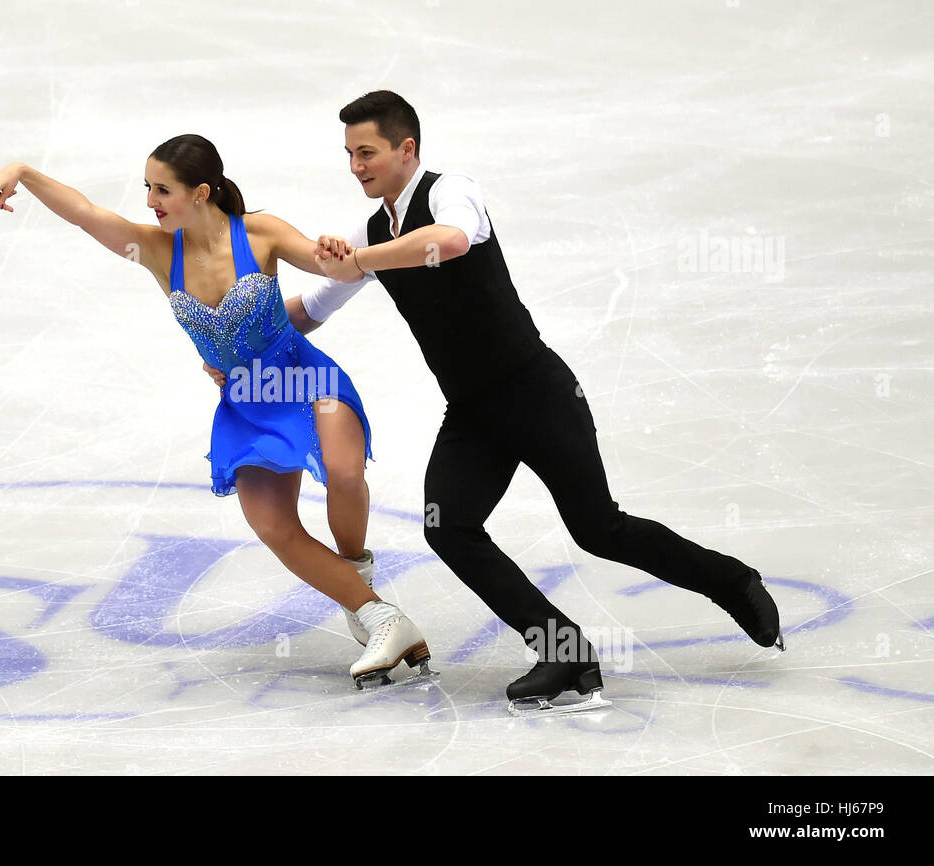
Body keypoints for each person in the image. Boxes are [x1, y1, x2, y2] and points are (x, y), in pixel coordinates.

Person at [210, 91, 783, 715]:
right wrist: (245, 350)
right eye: (349, 155)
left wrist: (363, 262)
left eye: (367, 152)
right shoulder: (371, 229)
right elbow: (313, 308)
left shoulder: (452, 191)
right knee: (446, 525)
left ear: (407, 149)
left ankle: (733, 582)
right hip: (473, 415)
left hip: (536, 391)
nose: (356, 167)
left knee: (599, 528)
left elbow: (451, 241)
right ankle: (564, 651)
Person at [0, 134, 433, 687]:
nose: (149, 201)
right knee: (273, 525)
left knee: (342, 470)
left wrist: (334, 258)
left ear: (201, 192)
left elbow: (330, 265)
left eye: (162, 189)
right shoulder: (156, 250)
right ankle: (379, 614)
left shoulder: (258, 232)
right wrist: (23, 171)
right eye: (147, 187)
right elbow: (86, 215)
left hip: (305, 379)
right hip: (245, 404)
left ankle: (354, 570)